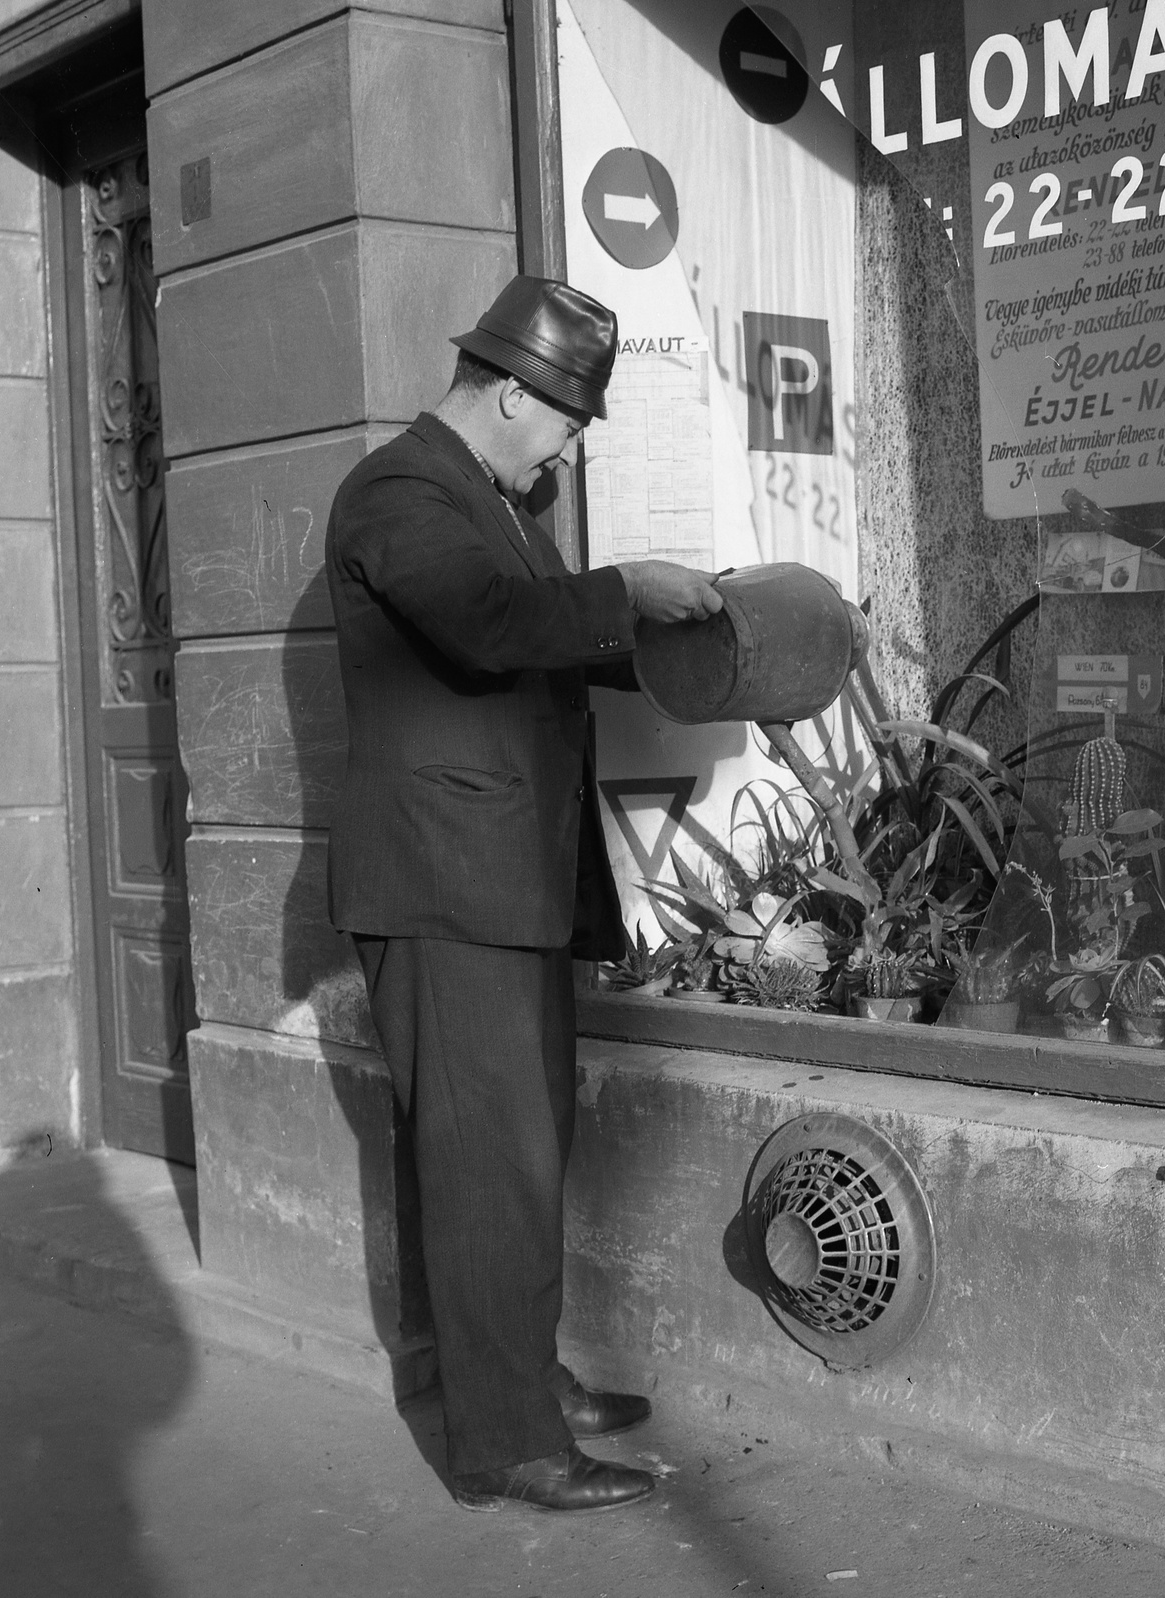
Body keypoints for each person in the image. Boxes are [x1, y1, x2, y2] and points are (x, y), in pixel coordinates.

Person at [324, 275, 722, 1512]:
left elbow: (521, 643)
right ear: (508, 392)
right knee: (487, 1164)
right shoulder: (402, 490)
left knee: (516, 1156)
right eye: (566, 418)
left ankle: (523, 1384)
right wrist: (626, 591)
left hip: (495, 881)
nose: (572, 440)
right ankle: (506, 1442)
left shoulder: (479, 494)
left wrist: (685, 644)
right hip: (449, 890)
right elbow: (489, 625)